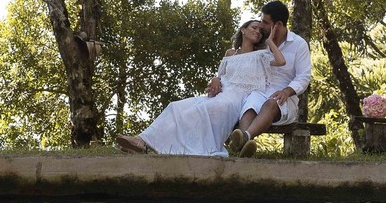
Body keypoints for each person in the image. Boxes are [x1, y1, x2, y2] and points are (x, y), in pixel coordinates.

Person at [116, 19, 285, 156]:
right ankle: (141, 141)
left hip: (236, 98)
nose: (257, 32)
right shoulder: (230, 53)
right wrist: (215, 80)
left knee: (211, 108)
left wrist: (270, 41)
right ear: (243, 30)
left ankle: (158, 144)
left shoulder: (260, 55)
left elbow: (280, 61)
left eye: (260, 32)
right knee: (176, 107)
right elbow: (220, 75)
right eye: (254, 28)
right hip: (221, 93)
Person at [224, 0, 312, 158]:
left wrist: (287, 91)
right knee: (250, 106)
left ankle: (244, 138)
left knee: (272, 102)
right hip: (259, 91)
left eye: (265, 22)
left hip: (284, 98)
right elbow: (240, 60)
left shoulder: (299, 44)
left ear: (277, 24)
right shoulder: (260, 43)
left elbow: (303, 77)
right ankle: (243, 145)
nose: (261, 25)